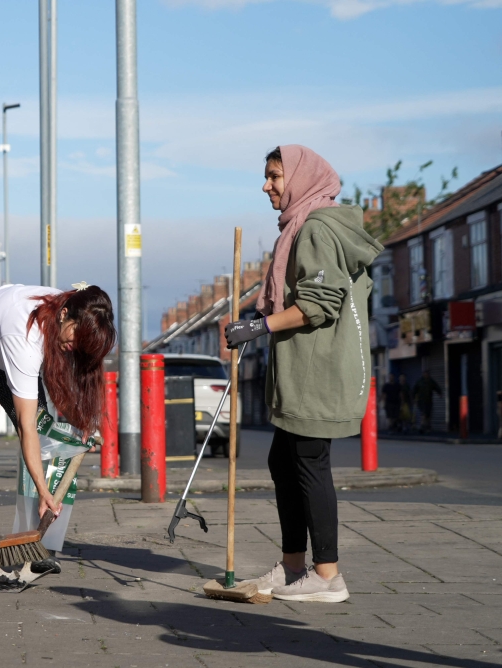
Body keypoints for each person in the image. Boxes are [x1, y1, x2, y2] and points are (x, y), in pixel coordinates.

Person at [225, 145, 382, 603]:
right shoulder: (307, 223)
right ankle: (294, 566)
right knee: (283, 462)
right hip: (308, 368)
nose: (267, 185)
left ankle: (327, 577)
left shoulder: (314, 228)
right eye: (267, 176)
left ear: (299, 177)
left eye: (275, 176)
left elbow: (317, 304)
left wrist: (257, 326)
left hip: (317, 370)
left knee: (310, 464)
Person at [0, 284, 117, 546]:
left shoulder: (70, 313)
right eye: (76, 336)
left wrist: (81, 423)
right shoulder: (26, 338)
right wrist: (43, 490)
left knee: (45, 427)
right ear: (64, 314)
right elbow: (25, 426)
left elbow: (58, 396)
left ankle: (36, 538)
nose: (74, 345)